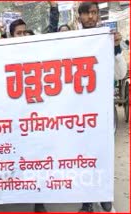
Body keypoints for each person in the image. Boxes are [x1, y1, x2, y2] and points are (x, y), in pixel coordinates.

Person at [77, 2, 127, 212]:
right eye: (87, 13)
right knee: (82, 156)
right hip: (78, 110)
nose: (91, 16)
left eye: (94, 13)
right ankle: (87, 201)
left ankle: (105, 195)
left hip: (103, 111)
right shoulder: (72, 41)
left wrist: (116, 49)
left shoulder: (107, 40)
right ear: (79, 17)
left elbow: (121, 74)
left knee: (103, 153)